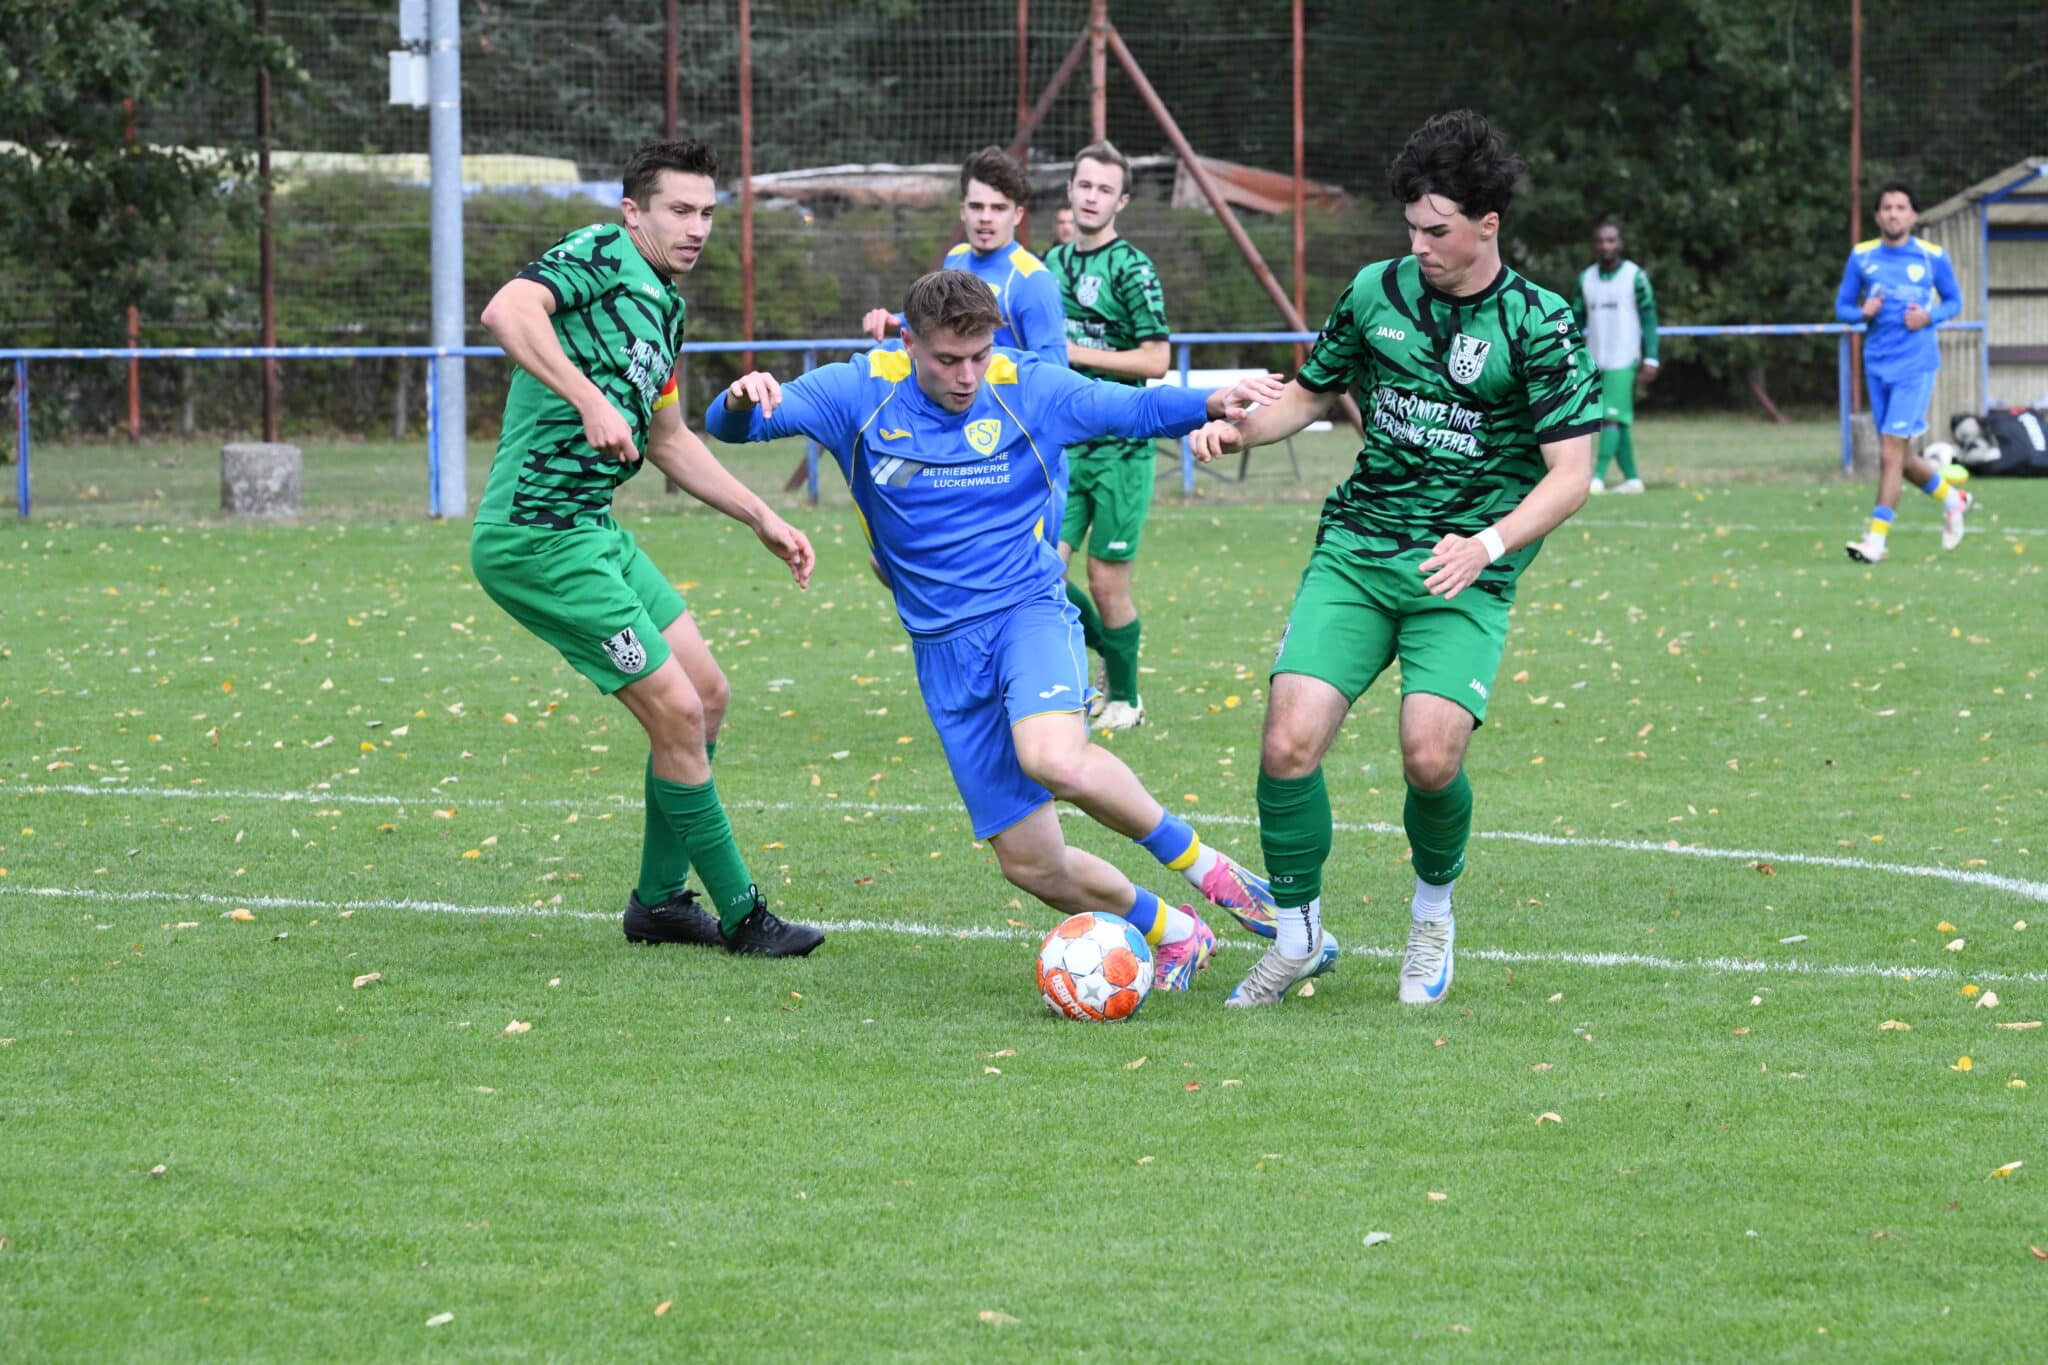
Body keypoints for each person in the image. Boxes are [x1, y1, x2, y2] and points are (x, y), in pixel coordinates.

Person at [708, 270, 1288, 990]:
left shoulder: (1027, 386)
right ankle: (1176, 933)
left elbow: (1129, 409)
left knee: (1056, 757)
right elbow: (730, 427)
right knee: (1032, 865)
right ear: (908, 341)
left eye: (979, 355)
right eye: (948, 359)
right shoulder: (857, 391)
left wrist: (1210, 399)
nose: (966, 375)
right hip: (944, 652)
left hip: (1028, 611)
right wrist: (740, 398)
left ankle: (1211, 870)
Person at [1190, 110, 1599, 1008]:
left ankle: (1431, 915)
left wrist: (1486, 544)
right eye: (1410, 226)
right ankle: (1296, 937)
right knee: (1288, 740)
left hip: (1465, 568)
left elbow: (1573, 475)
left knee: (1430, 758)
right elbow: (1308, 393)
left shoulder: (1539, 321)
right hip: (1360, 547)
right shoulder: (1376, 293)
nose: (1418, 245)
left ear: (1488, 224)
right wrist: (1239, 426)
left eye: (1438, 230)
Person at [471, 139, 826, 958]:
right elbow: (507, 311)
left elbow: (668, 437)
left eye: (707, 212)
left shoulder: (663, 305)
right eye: (679, 210)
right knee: (676, 709)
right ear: (633, 212)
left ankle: (661, 901)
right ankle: (743, 915)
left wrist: (760, 516)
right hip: (536, 537)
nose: (697, 227)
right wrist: (589, 396)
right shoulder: (599, 252)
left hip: (592, 529)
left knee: (708, 692)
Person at [1045, 141, 1173, 732]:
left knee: (1105, 579)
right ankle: (1097, 656)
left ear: (1120, 201)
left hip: (1121, 449)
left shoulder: (1132, 268)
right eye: (1084, 185)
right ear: (1069, 191)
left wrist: (1077, 353)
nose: (1091, 197)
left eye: (1104, 189)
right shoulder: (1050, 263)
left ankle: (1125, 697)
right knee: (1037, 565)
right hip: (1064, 448)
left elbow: (1156, 360)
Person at [1836, 181, 1972, 563]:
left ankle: (1876, 541)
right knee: (1901, 456)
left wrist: (1929, 316)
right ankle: (1953, 499)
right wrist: (1861, 313)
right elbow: (1842, 307)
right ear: (1878, 216)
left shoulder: (1932, 257)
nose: (1894, 214)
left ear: (1913, 215)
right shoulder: (1861, 257)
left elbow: (1955, 301)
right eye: (1887, 208)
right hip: (1877, 364)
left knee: (1888, 452)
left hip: (1915, 365)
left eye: (1901, 207)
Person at [861, 147, 1067, 366]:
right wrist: (896, 323)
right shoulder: (956, 258)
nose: (985, 218)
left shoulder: (1033, 281)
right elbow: (940, 324)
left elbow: (1055, 374)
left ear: (1017, 215)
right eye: (976, 207)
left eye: (998, 208)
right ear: (962, 211)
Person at [1571, 217, 1659, 494]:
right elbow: (1575, 319)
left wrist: (1652, 357)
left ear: (1620, 243)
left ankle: (1595, 477)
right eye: (1600, 240)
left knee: (1610, 418)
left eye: (1611, 240)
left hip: (1624, 358)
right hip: (1596, 359)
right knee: (1615, 420)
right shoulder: (1586, 279)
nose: (1605, 245)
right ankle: (1632, 479)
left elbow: (1649, 318)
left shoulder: (1635, 276)